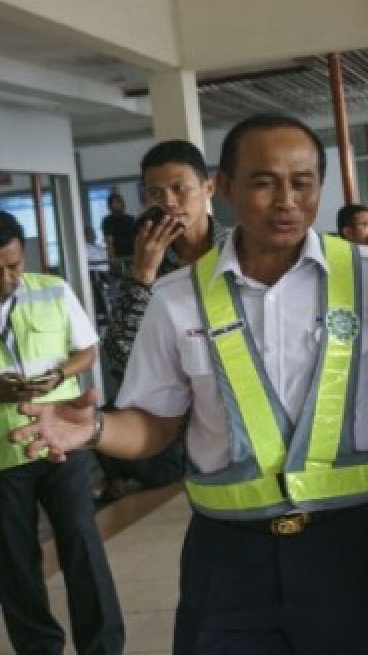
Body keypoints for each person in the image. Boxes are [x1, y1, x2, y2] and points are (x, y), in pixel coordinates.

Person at [14, 114, 368, 654]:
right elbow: (155, 423)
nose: (286, 201)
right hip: (230, 557)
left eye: (303, 182)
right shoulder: (176, 298)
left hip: (358, 545)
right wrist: (94, 429)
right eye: (263, 181)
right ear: (224, 187)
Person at [0, 211, 124, 655]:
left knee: (83, 548)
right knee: (16, 565)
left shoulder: (51, 289)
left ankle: (103, 648)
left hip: (60, 445)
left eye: (13, 265)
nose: (5, 277)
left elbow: (87, 349)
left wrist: (59, 374)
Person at [97, 140, 230, 499]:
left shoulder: (239, 252)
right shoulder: (145, 264)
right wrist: (143, 275)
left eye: (179, 188)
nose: (169, 202)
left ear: (208, 188)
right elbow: (120, 356)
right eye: (156, 193)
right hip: (175, 424)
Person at [100, 192, 136, 264]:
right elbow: (109, 241)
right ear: (110, 206)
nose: (122, 204)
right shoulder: (108, 221)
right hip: (118, 258)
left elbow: (136, 238)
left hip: (133, 256)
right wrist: (113, 259)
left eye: (122, 201)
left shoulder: (131, 219)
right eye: (118, 202)